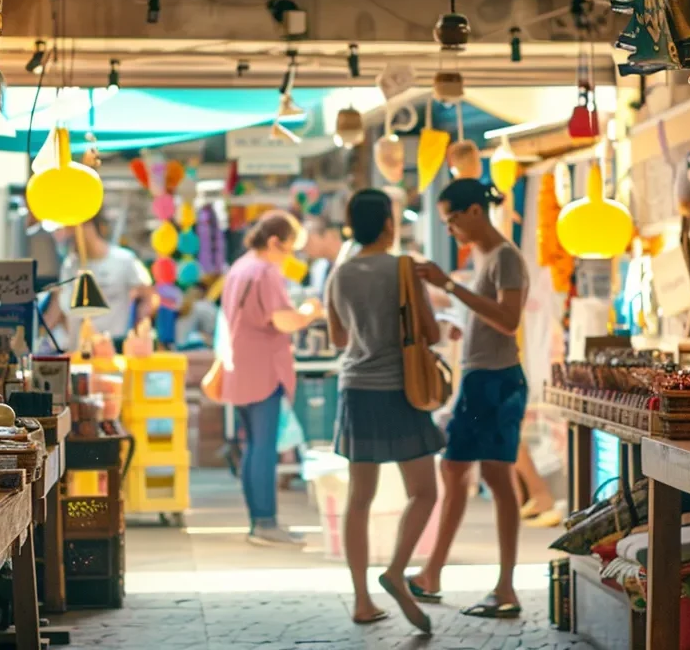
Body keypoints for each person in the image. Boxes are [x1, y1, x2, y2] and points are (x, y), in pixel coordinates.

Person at [408, 178, 530, 619]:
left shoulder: (506, 258)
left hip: (498, 382)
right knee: (458, 468)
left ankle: (503, 587)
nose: (452, 229)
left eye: (452, 219)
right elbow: (488, 314)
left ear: (475, 212)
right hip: (482, 379)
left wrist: (452, 287)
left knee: (491, 477)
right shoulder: (485, 257)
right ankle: (433, 573)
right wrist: (461, 319)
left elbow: (509, 320)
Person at [326, 190, 443, 632]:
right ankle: (395, 570)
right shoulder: (402, 268)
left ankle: (361, 600)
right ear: (390, 224)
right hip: (402, 390)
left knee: (359, 498)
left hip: (356, 389)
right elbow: (428, 331)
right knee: (425, 491)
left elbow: (339, 339)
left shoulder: (339, 274)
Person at [220, 210, 323, 547]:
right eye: (289, 248)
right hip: (263, 368)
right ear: (275, 242)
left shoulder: (240, 267)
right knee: (264, 447)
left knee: (254, 446)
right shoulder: (265, 271)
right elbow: (283, 321)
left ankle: (259, 521)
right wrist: (310, 311)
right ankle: (266, 522)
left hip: (241, 367)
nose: (290, 256)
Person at [55, 212, 154, 350]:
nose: (68, 237)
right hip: (81, 348)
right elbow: (64, 307)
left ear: (89, 227)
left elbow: (148, 294)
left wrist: (139, 330)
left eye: (72, 230)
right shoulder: (70, 265)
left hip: (114, 344)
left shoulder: (125, 259)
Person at [303, 216, 346, 297]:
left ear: (329, 234)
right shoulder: (318, 267)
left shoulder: (354, 258)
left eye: (309, 240)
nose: (305, 248)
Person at [174, 281, 217, 350]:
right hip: (194, 348)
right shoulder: (204, 306)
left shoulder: (181, 305)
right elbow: (211, 328)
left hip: (177, 347)